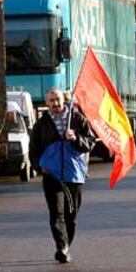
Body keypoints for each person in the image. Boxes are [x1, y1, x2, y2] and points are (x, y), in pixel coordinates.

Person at [29, 88, 95, 263]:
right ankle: (62, 247)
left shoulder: (77, 118)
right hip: (52, 176)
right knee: (56, 213)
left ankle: (67, 244)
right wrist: (40, 168)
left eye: (57, 99)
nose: (55, 104)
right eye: (51, 101)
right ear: (46, 103)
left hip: (74, 175)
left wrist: (76, 138)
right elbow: (33, 150)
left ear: (63, 100)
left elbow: (90, 142)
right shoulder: (42, 124)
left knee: (71, 215)